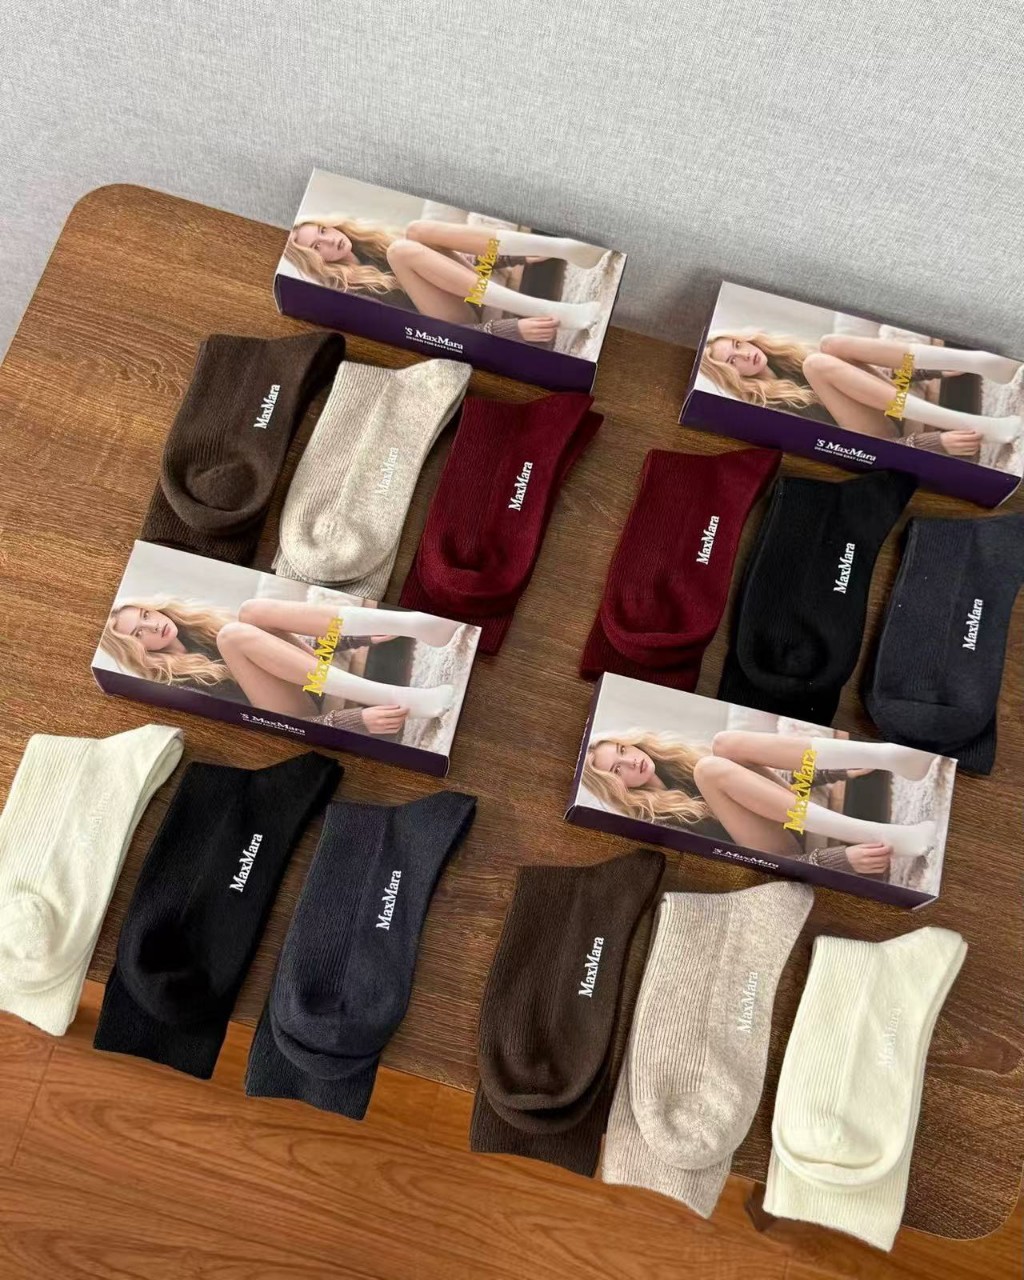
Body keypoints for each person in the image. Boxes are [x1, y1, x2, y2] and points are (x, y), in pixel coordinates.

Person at [582, 727, 940, 877]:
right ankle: (878, 834)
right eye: (617, 769)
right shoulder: (655, 826)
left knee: (724, 744)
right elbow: (741, 870)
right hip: (779, 857)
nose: (631, 761)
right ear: (615, 788)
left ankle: (888, 756)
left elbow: (762, 790)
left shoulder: (678, 764)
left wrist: (835, 773)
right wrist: (836, 860)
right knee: (710, 768)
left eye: (623, 750)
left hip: (788, 820)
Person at [99, 597, 461, 733]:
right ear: (136, 651)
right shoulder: (176, 687)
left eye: (146, 615)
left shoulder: (201, 630)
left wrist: (356, 638)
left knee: (250, 611)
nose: (152, 625)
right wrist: (354, 720)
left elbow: (289, 655)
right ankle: (392, 696)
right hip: (294, 718)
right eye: (139, 633)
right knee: (233, 635)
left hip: (310, 682)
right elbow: (260, 727)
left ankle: (411, 623)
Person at [284, 215, 605, 343]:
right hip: (456, 326)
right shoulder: (349, 296)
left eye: (323, 230)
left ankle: (559, 247)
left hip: (469, 294)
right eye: (317, 246)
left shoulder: (372, 246)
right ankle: (540, 308)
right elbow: (420, 338)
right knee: (401, 251)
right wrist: (509, 330)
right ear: (315, 261)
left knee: (415, 230)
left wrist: (515, 257)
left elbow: (452, 267)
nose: (329, 240)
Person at [699, 329, 1022, 454]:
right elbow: (844, 452)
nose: (744, 355)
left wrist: (932, 371)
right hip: (883, 440)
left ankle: (977, 362)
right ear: (731, 377)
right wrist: (933, 443)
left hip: (893, 411)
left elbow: (866, 383)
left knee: (829, 344)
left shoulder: (791, 360)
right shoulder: (769, 412)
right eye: (733, 361)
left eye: (738, 345)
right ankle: (968, 423)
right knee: (817, 363)